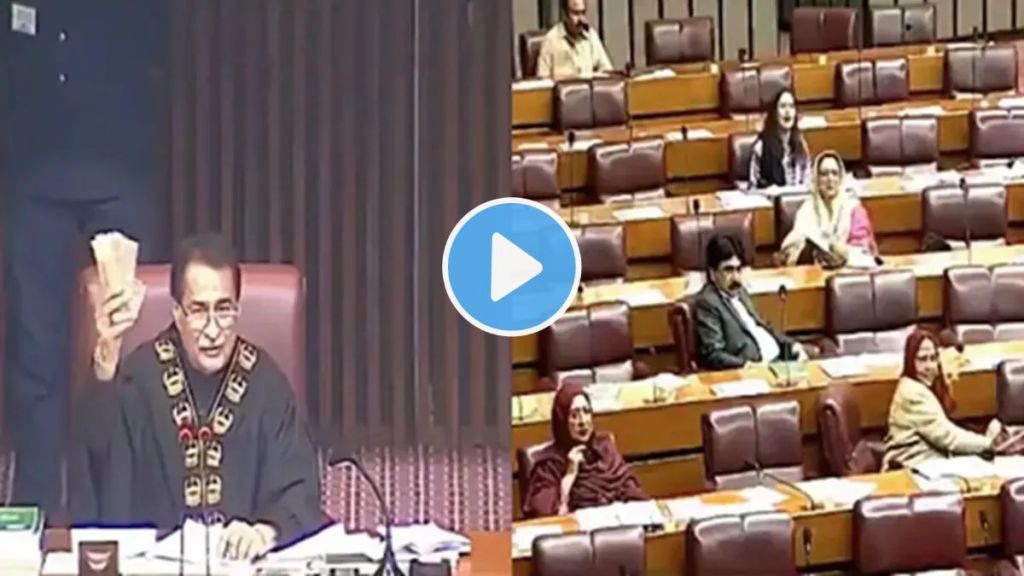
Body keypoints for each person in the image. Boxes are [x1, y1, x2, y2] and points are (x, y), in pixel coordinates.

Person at [1, 1, 168, 515]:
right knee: (35, 352)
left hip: (116, 168)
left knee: (127, 338)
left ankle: (126, 502)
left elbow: (154, 43)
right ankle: (35, 509)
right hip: (32, 173)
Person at [77, 233, 322, 560]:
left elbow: (300, 489)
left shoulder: (265, 382)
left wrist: (264, 532)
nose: (213, 330)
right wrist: (106, 358)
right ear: (177, 313)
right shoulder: (141, 377)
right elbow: (99, 459)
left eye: (224, 310)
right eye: (198, 311)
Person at [882, 330, 1012, 471]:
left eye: (933, 358)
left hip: (929, 461)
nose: (929, 366)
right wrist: (991, 444)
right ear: (910, 361)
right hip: (910, 466)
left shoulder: (920, 387)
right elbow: (949, 438)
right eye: (922, 359)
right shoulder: (912, 393)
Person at [523, 382, 645, 518]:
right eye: (574, 415)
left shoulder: (605, 449)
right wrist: (570, 474)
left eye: (586, 412)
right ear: (561, 420)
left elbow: (634, 494)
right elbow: (544, 515)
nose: (582, 421)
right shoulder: (549, 465)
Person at [694, 235, 809, 371]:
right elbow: (713, 354)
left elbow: (763, 326)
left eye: (738, 269)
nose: (736, 277)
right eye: (728, 270)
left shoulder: (740, 291)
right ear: (712, 274)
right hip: (754, 371)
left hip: (779, 362)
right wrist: (746, 366)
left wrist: (792, 346)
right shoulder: (707, 303)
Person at [778, 151, 878, 267]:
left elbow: (864, 252)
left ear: (841, 178)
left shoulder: (853, 209)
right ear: (816, 179)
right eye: (824, 174)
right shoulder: (807, 210)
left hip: (848, 272)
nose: (830, 179)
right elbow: (793, 247)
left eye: (834, 173)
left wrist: (844, 254)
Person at [748, 89, 811, 188]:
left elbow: (808, 180)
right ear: (775, 113)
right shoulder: (761, 147)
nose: (787, 111)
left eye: (791, 106)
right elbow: (753, 186)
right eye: (783, 106)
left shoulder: (801, 145)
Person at [536, 0, 613, 80]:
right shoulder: (551, 40)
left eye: (583, 13)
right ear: (565, 15)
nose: (581, 19)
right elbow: (542, 81)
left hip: (588, 87)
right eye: (575, 13)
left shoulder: (591, 36)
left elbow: (608, 73)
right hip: (563, 87)